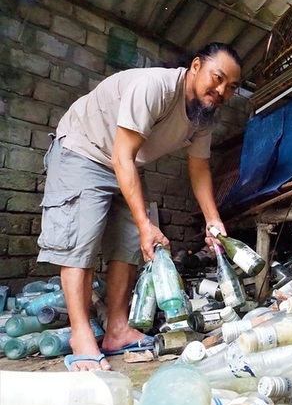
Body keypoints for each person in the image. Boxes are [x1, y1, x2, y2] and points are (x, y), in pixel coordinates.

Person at [37, 42, 242, 371]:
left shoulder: (204, 116)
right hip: (84, 149)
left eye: (230, 87)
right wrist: (147, 224)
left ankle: (116, 329)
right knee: (81, 241)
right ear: (195, 68)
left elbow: (199, 167)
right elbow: (122, 155)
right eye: (217, 78)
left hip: (125, 161)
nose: (220, 90)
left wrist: (212, 219)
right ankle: (80, 335)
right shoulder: (155, 87)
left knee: (130, 242)